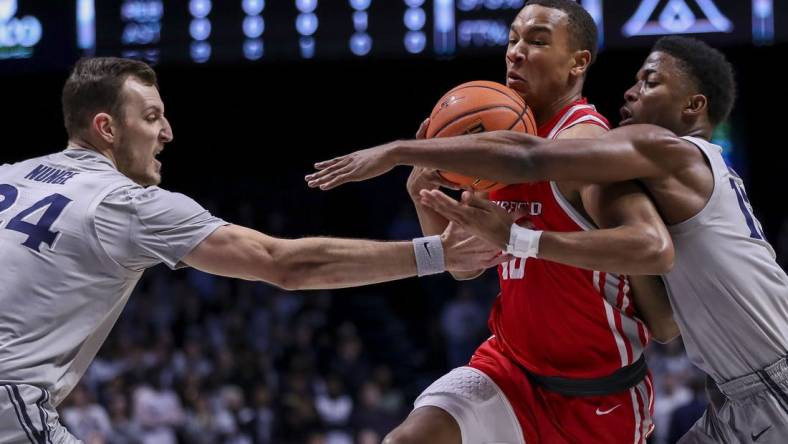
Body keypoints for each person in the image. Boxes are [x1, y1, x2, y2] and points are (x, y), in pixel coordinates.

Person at [307, 35, 788, 443]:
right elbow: (663, 324)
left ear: (694, 106)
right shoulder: (668, 178)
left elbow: (531, 159)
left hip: (772, 383)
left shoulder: (669, 150)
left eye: (651, 81)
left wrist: (395, 150)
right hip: (733, 393)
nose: (631, 90)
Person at [0, 57, 503, 444]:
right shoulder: (125, 203)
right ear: (107, 128)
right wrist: (436, 253)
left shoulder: (9, 176)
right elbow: (283, 263)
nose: (167, 133)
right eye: (152, 116)